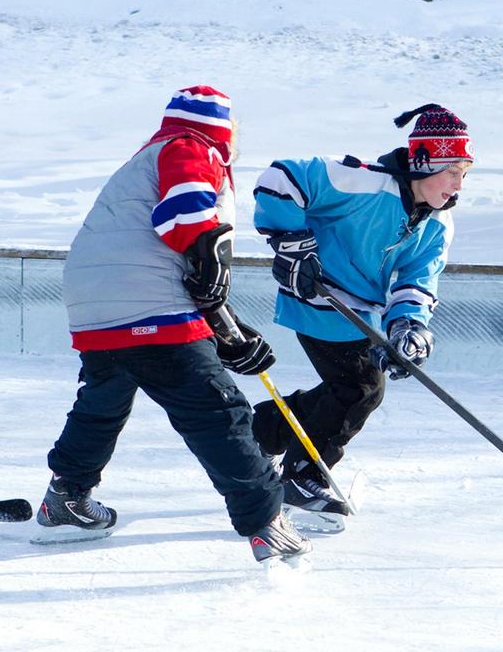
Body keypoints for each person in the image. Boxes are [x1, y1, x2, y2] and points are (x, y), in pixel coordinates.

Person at [36, 85, 311, 565]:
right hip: (145, 301)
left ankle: (66, 499)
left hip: (94, 301)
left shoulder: (145, 158)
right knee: (215, 410)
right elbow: (186, 224)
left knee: (105, 399)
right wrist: (213, 262)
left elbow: (184, 269)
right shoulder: (191, 146)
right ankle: (266, 521)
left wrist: (227, 331)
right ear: (222, 128)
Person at [250, 103, 473, 520]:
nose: (458, 186)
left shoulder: (439, 221)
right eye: (453, 171)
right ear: (426, 163)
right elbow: (282, 177)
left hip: (359, 308)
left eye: (465, 174)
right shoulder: (363, 182)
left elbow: (417, 279)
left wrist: (409, 325)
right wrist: (292, 244)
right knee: (360, 387)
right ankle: (301, 476)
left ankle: (261, 430)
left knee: (348, 388)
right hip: (318, 294)